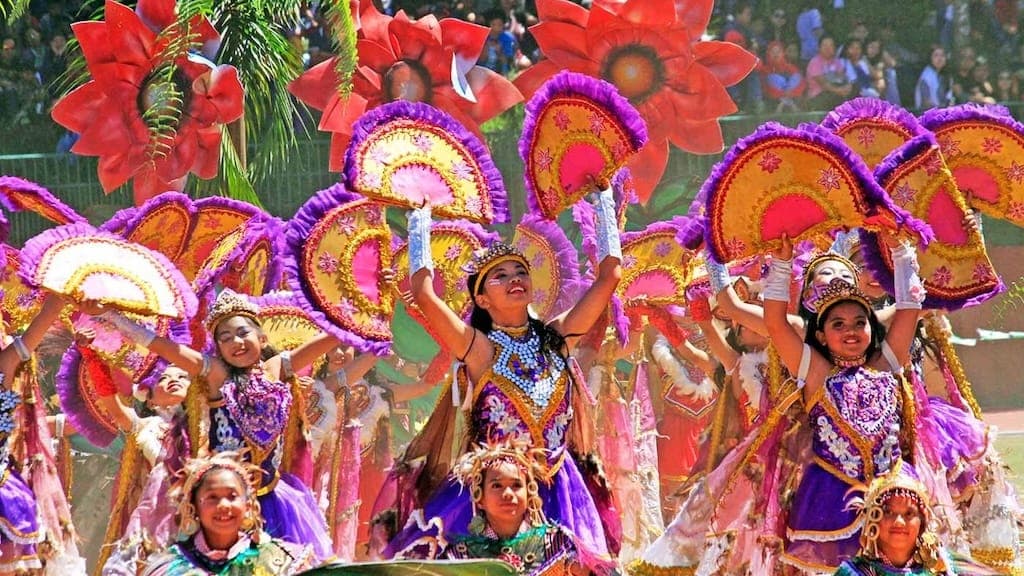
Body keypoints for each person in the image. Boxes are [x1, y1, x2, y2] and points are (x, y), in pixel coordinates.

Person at [382, 182, 623, 572]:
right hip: (494, 493)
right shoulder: (480, 349)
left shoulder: (556, 338)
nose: (514, 278)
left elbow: (610, 277)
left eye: (520, 271)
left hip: (560, 491)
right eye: (500, 276)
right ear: (481, 299)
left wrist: (603, 202)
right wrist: (420, 220)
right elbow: (423, 293)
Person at [84, 288, 335, 561]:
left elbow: (334, 337)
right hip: (220, 501)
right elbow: (158, 343)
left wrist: (370, 313)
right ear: (219, 349)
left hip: (272, 500)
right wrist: (109, 314)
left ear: (262, 339)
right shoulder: (217, 374)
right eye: (225, 338)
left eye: (243, 333)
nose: (236, 342)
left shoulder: (277, 368)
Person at [763, 234, 925, 571]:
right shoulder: (815, 372)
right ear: (821, 336)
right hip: (832, 496)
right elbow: (776, 323)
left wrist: (900, 250)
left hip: (893, 494)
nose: (850, 330)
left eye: (859, 322)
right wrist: (781, 265)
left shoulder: (885, 364)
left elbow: (910, 309)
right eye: (838, 324)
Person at [411, 441, 584, 575]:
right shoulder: (459, 556)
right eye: (497, 486)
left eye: (516, 485)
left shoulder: (557, 543)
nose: (508, 493)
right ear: (480, 499)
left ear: (530, 494)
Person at [142, 452, 317, 575]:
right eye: (212, 497)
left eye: (232, 496)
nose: (223, 505)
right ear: (193, 507)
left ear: (248, 506)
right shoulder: (169, 567)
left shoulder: (282, 562)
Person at [834, 463, 966, 575]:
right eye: (888, 512)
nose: (898, 522)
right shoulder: (853, 572)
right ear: (873, 519)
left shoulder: (946, 566)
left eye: (909, 514)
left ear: (922, 522)